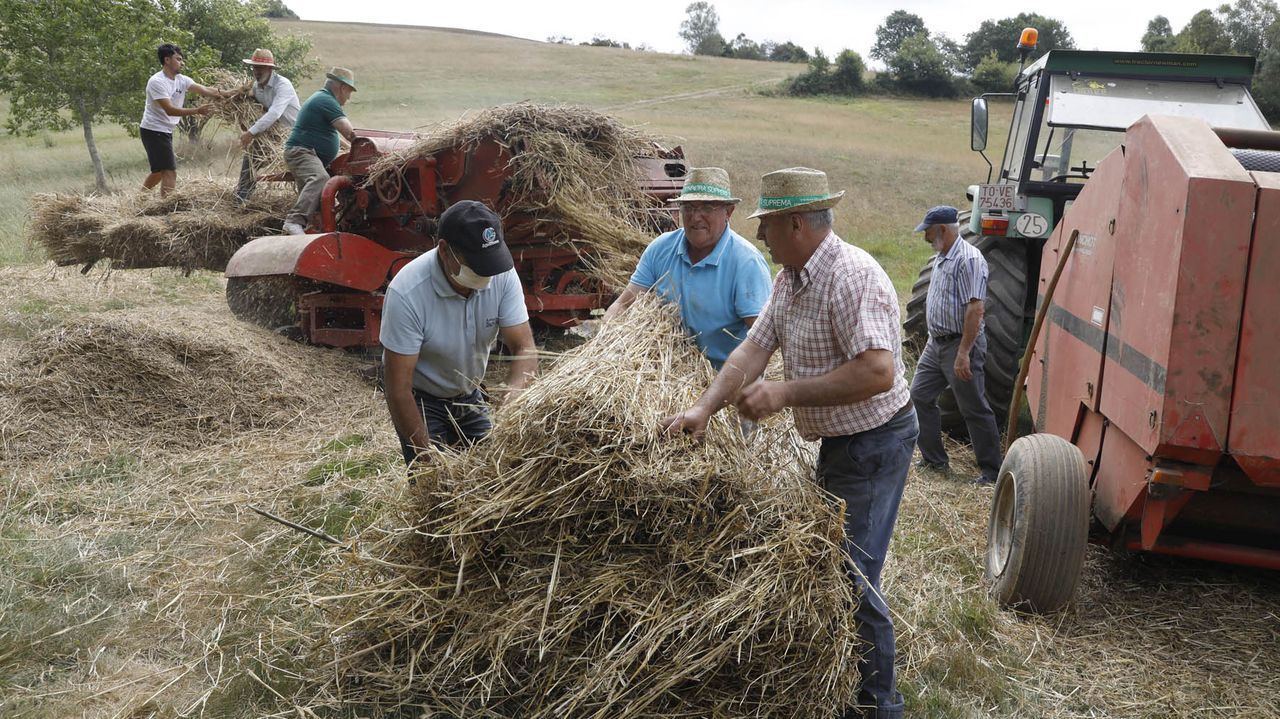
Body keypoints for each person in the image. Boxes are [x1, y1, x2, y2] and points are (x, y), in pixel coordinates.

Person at [661, 167, 917, 719]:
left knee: (851, 575)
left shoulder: (852, 276)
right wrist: (703, 409)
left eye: (768, 224)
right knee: (834, 564)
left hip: (875, 440)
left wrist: (785, 392)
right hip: (842, 441)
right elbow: (752, 351)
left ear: (797, 224)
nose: (760, 236)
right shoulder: (790, 279)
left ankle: (879, 706)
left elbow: (877, 371)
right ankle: (844, 689)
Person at [380, 200, 538, 466]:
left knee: (496, 470)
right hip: (421, 399)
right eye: (476, 264)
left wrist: (513, 399)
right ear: (445, 250)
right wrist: (428, 459)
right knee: (433, 483)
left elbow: (524, 347)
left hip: (469, 393)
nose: (486, 275)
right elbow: (398, 389)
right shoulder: (407, 293)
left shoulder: (501, 273)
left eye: (489, 263)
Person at [603, 166, 772, 369]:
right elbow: (623, 305)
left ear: (728, 212)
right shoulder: (661, 248)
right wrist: (603, 344)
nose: (695, 216)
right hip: (663, 372)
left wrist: (725, 383)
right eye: (689, 207)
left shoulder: (746, 262)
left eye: (707, 208)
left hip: (721, 375)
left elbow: (761, 342)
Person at [908, 206, 1002, 485]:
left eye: (928, 231)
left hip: (960, 345)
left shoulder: (969, 259)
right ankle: (934, 460)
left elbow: (976, 308)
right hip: (935, 344)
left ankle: (992, 472)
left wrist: (963, 353)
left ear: (942, 230)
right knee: (918, 396)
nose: (925, 236)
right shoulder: (941, 256)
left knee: (973, 408)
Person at [280, 67, 358, 235]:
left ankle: (311, 231)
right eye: (349, 92)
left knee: (318, 201)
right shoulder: (326, 100)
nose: (349, 97)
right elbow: (349, 132)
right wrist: (365, 145)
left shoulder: (321, 99)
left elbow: (333, 135)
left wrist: (348, 147)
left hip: (306, 153)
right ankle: (294, 221)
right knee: (320, 178)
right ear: (342, 87)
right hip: (302, 152)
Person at [139, 44, 223, 197]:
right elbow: (170, 110)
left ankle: (139, 198)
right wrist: (197, 111)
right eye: (178, 59)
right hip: (153, 130)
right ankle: (166, 205)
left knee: (158, 171)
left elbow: (205, 90)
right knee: (169, 172)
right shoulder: (156, 82)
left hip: (164, 130)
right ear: (167, 60)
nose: (182, 63)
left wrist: (231, 93)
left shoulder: (182, 80)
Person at [234, 48, 300, 203]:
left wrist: (250, 133)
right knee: (251, 158)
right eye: (254, 67)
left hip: (293, 134)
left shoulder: (283, 85)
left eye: (260, 68)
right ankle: (242, 199)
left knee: (300, 167)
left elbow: (274, 113)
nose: (256, 71)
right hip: (274, 133)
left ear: (270, 69)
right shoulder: (257, 87)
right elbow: (257, 106)